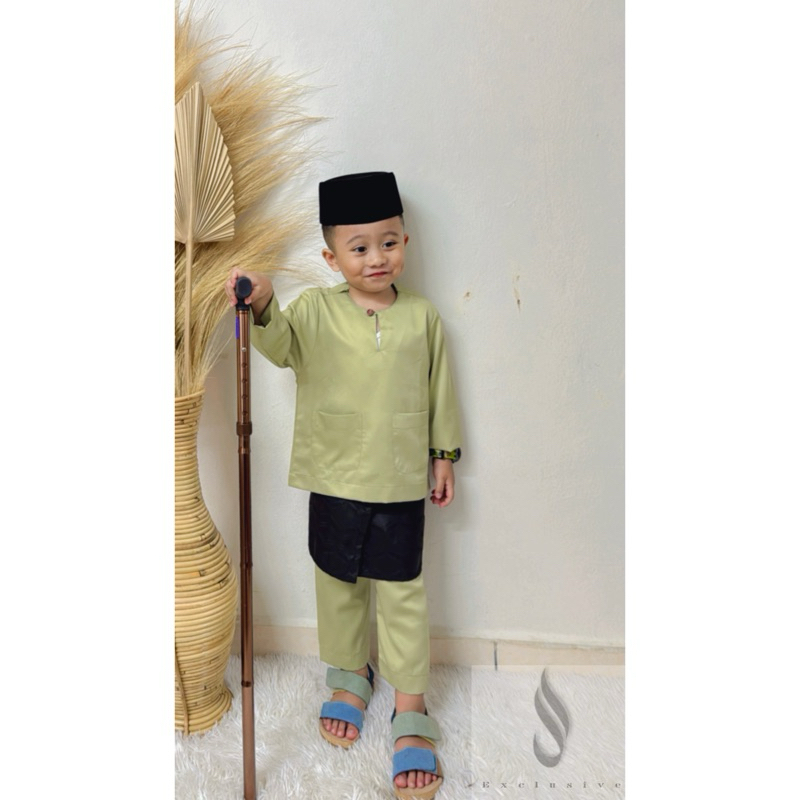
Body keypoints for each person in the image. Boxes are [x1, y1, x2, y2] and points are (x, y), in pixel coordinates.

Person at [225, 171, 461, 799]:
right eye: (359, 247)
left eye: (388, 242)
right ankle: (350, 673)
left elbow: (440, 389)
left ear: (405, 242)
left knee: (403, 592)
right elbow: (278, 346)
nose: (376, 257)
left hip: (400, 477)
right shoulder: (315, 311)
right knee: (338, 585)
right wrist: (264, 302)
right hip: (332, 474)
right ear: (332, 258)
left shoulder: (422, 317)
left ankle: (410, 703)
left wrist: (443, 456)